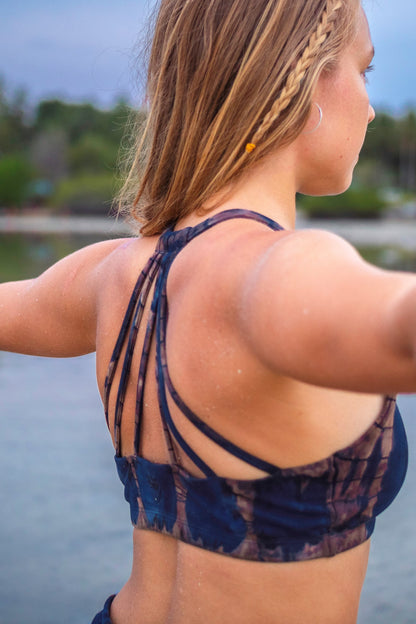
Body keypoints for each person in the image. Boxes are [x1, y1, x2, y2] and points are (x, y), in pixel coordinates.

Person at [0, 0, 413, 622]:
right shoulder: (284, 273)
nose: (372, 107)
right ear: (305, 82)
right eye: (365, 70)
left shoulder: (113, 271)